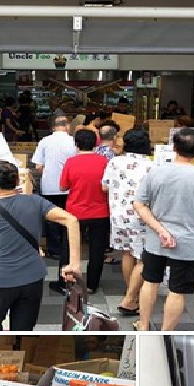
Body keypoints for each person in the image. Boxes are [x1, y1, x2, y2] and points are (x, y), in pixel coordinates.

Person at [0, 160, 81, 331]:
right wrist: (74, 263)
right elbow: (72, 220)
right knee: (23, 330)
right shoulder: (35, 202)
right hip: (32, 277)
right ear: (17, 182)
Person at [134, 129, 194, 331]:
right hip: (189, 242)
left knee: (150, 281)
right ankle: (166, 332)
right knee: (177, 290)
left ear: (174, 148)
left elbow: (139, 204)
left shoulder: (155, 172)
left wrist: (160, 230)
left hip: (156, 241)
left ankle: (144, 325)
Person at [52, 129, 111, 295]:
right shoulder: (104, 162)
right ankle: (92, 284)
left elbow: (63, 186)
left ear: (76, 144)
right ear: (96, 144)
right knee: (97, 249)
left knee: (69, 248)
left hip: (75, 212)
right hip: (100, 211)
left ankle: (65, 282)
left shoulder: (71, 162)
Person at [102, 129, 152, 316]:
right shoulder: (150, 165)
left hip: (118, 215)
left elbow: (104, 186)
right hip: (141, 216)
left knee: (127, 253)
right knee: (144, 257)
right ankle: (130, 299)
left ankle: (130, 291)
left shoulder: (114, 161)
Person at [31, 116, 77, 259]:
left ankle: (54, 249)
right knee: (67, 216)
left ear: (53, 127)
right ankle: (67, 246)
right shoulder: (73, 141)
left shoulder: (44, 141)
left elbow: (38, 166)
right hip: (69, 186)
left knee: (51, 218)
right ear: (67, 126)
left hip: (49, 185)